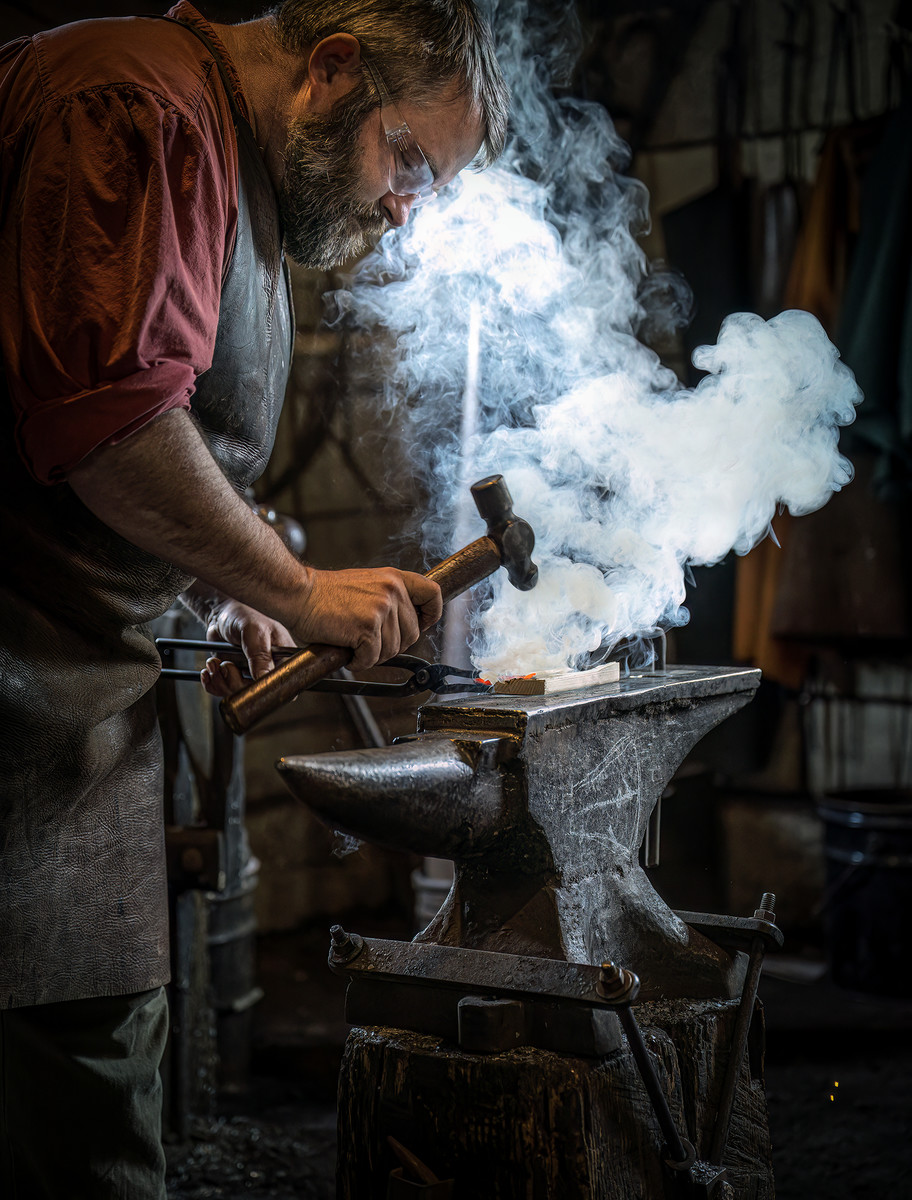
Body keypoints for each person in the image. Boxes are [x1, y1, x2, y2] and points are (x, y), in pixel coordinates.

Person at [0, 1, 508, 1195]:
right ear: (332, 69)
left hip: (60, 720)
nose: (405, 206)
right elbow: (110, 424)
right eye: (409, 160)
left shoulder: (228, 161)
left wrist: (220, 586)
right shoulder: (140, 106)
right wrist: (298, 585)